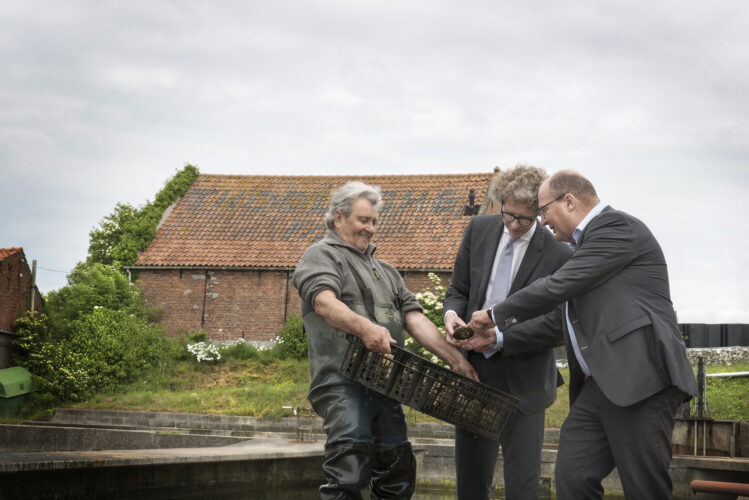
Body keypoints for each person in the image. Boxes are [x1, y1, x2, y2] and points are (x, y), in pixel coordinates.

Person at [468, 170, 698, 499]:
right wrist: (497, 338)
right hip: (596, 388)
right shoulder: (586, 251)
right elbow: (557, 323)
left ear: (570, 201)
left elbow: (557, 286)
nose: (542, 221)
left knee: (644, 489)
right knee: (573, 477)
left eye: (544, 210)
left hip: (640, 379)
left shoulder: (617, 228)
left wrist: (494, 314)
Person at [292, 181, 479, 500]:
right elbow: (324, 302)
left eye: (375, 222)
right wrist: (365, 328)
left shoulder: (388, 272)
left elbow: (415, 319)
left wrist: (456, 359)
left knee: (397, 462)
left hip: (387, 385)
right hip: (341, 382)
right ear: (338, 218)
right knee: (351, 451)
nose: (371, 228)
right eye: (364, 220)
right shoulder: (320, 256)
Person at [443, 165, 571, 500]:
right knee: (470, 484)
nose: (514, 225)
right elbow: (458, 288)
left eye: (524, 220)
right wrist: (452, 315)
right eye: (508, 215)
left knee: (522, 488)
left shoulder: (560, 252)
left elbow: (558, 323)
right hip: (474, 374)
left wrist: (499, 337)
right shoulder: (479, 229)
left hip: (525, 380)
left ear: (540, 214)